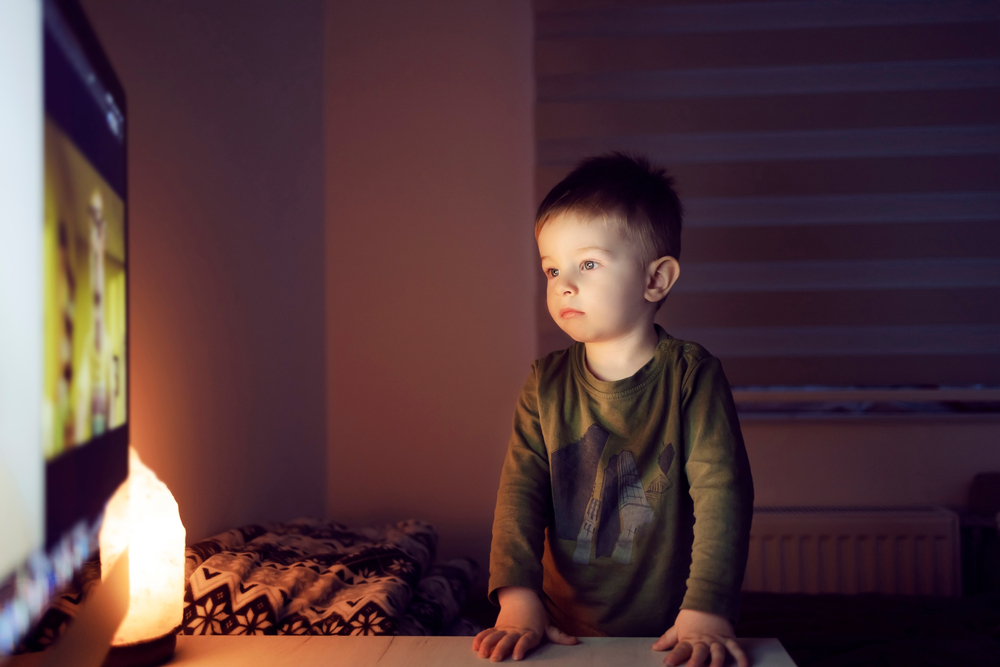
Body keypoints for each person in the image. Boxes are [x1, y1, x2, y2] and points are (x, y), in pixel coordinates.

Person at [472, 154, 754, 666]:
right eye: (552, 268)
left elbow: (723, 495)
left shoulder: (691, 375)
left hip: (674, 627)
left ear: (656, 280)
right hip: (560, 627)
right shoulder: (545, 383)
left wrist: (707, 610)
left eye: (589, 264)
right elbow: (519, 494)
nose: (563, 284)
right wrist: (517, 599)